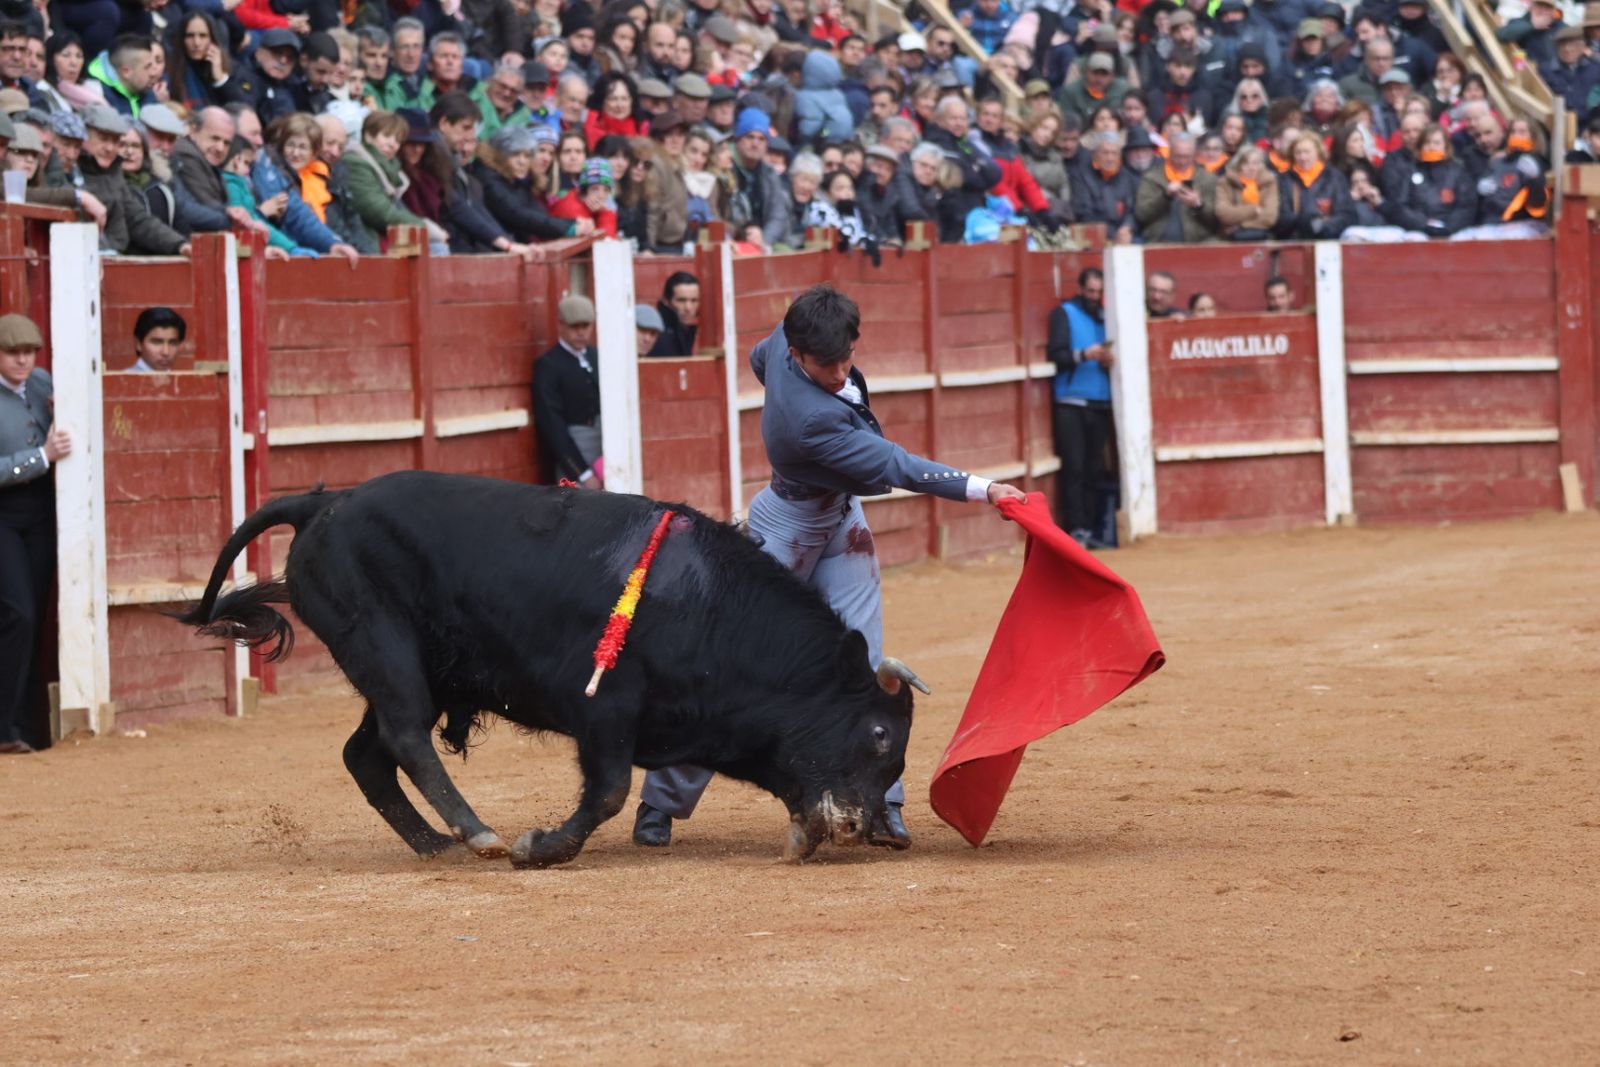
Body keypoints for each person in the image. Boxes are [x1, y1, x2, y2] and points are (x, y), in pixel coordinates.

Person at [634, 284, 1026, 849]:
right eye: (828, 364)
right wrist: (984, 488)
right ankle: (661, 802)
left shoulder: (784, 343)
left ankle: (881, 804)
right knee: (727, 667)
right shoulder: (807, 420)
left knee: (864, 668)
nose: (842, 372)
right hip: (785, 533)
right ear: (797, 353)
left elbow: (756, 358)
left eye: (848, 356)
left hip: (842, 525)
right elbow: (897, 464)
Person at [0, 313, 69, 754]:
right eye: (12, 353)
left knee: (34, 617)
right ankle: (5, 727)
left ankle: (27, 728)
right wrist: (41, 457)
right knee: (19, 614)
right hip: (3, 515)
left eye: (28, 352)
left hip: (41, 515)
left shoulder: (43, 382)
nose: (23, 360)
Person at [1047, 268, 1113, 549]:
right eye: (1090, 291)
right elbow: (1057, 356)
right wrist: (1084, 354)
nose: (1094, 297)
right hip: (1071, 401)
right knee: (1075, 466)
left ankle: (1091, 528)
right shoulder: (1064, 313)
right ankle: (1077, 528)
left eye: (1099, 292)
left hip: (1100, 401)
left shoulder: (1105, 316)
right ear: (1081, 289)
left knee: (1094, 468)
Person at [532, 294, 603, 486]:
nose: (580, 332)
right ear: (560, 325)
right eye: (574, 326)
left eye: (585, 326)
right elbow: (553, 425)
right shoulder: (549, 365)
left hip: (605, 447)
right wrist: (583, 473)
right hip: (574, 450)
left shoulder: (597, 356)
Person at [1133, 131, 1216, 244]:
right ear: (1169, 153)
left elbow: (1216, 219)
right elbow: (1141, 214)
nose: (1182, 162)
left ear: (1194, 155)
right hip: (1158, 243)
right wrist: (1165, 196)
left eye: (1187, 157)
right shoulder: (1152, 177)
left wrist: (1198, 205)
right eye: (1178, 156)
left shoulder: (1207, 179)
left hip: (1198, 244)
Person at [1214, 144, 1279, 240]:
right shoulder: (1225, 182)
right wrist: (1254, 210)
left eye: (1255, 163)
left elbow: (1270, 218)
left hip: (1261, 236)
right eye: (1246, 163)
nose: (1251, 168)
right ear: (1238, 165)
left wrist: (1240, 225)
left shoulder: (1269, 182)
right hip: (1230, 238)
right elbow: (1224, 214)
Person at [650, 271, 700, 356]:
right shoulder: (658, 335)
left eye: (694, 300)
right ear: (666, 301)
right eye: (681, 300)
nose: (688, 308)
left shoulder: (685, 331)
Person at [128, 306, 186, 371]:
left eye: (173, 343)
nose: (165, 352)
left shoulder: (182, 380)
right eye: (157, 342)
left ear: (181, 346)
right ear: (138, 344)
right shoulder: (120, 380)